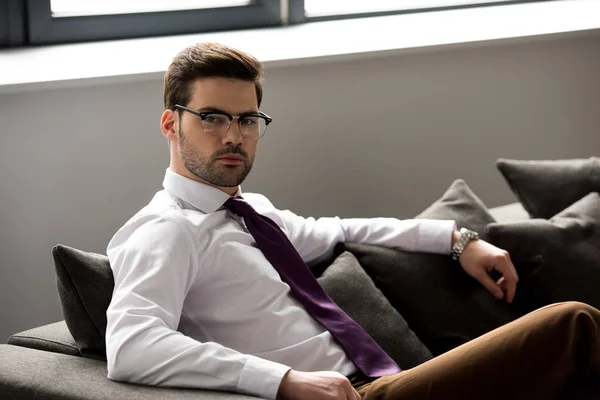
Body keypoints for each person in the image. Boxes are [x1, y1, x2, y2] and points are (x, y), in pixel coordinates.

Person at [105, 42, 600, 400]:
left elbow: (344, 229)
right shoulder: (166, 230)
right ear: (171, 123)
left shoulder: (254, 214)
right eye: (213, 118)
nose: (234, 136)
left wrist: (458, 238)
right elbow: (133, 344)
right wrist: (282, 382)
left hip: (388, 380)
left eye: (248, 119)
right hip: (352, 397)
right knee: (572, 323)